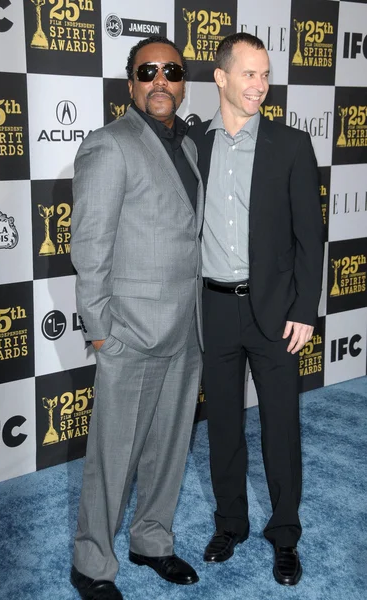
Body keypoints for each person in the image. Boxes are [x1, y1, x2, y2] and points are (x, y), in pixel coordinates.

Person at [70, 36, 204, 600]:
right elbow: (90, 246)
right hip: (129, 330)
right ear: (130, 83)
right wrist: (101, 331)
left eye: (170, 72)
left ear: (181, 82)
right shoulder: (109, 144)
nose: (160, 81)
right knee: (113, 454)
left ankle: (152, 540)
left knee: (170, 446)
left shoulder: (192, 148)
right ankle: (91, 563)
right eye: (147, 71)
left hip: (186, 326)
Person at [188, 32, 324, 586]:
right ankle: (231, 523)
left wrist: (305, 310)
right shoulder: (191, 145)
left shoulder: (290, 145)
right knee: (221, 427)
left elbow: (310, 239)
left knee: (280, 429)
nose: (260, 85)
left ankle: (285, 533)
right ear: (220, 78)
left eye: (265, 75)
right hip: (214, 309)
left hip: (274, 313)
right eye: (249, 74)